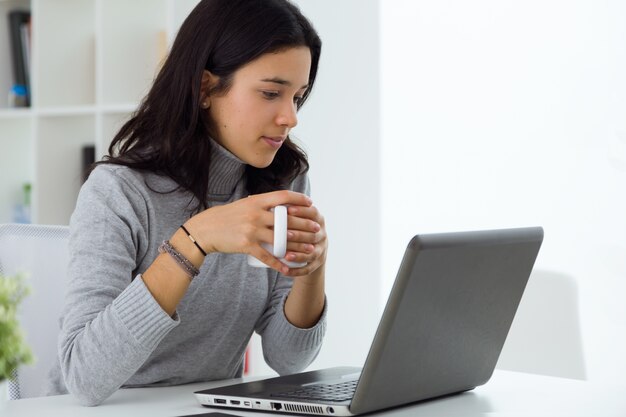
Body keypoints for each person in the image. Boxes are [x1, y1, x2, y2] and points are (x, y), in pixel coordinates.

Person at [44, 0, 328, 406]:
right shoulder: (118, 192)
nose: (290, 116)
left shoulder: (284, 181)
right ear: (205, 87)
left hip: (209, 408)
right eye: (270, 93)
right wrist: (195, 239)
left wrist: (312, 270)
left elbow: (289, 359)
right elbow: (85, 377)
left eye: (297, 97)